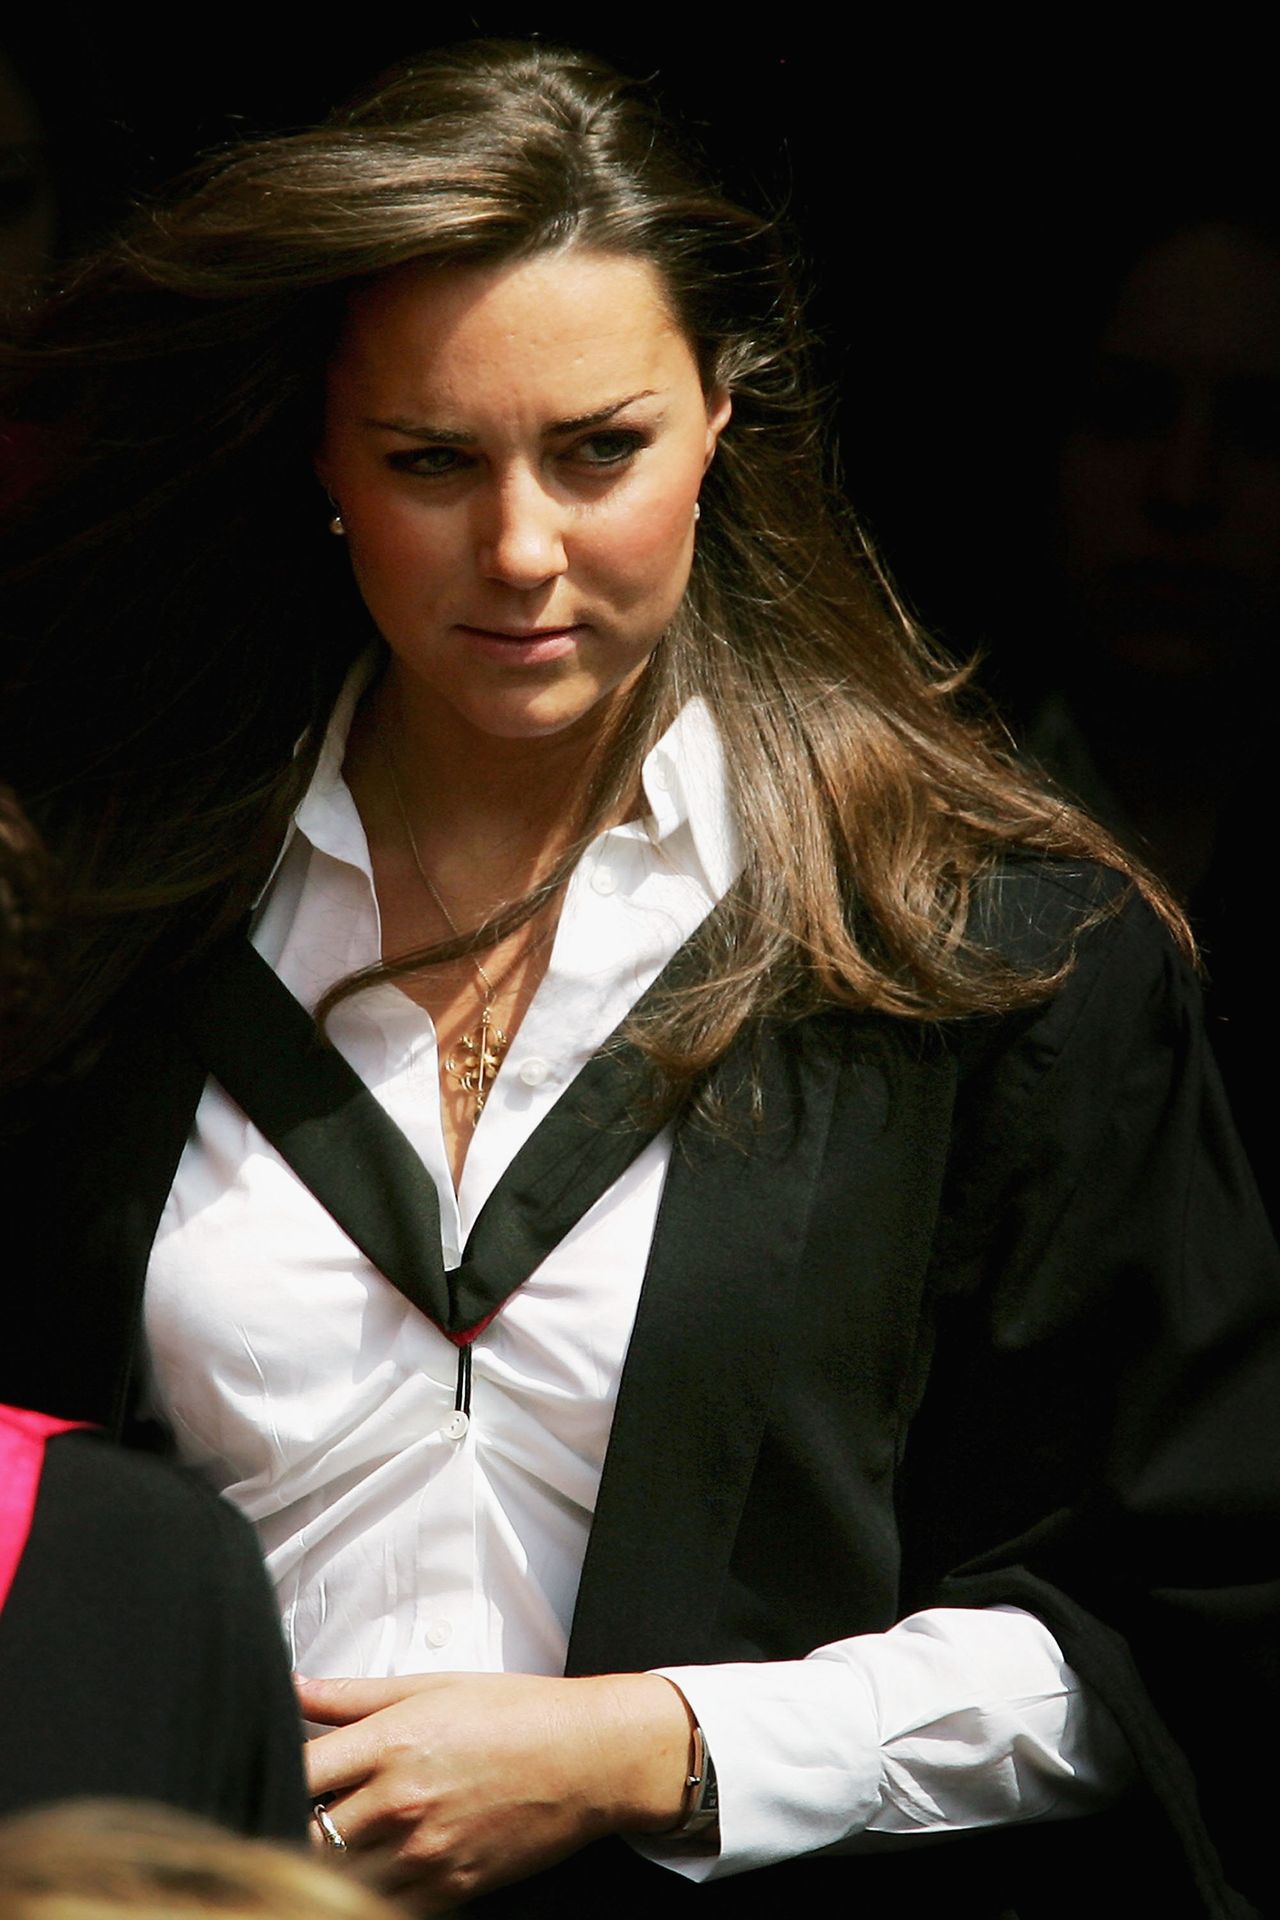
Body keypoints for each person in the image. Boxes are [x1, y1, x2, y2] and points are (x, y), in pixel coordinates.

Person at [0, 39, 1274, 1919]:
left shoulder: (979, 954)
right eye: (433, 460)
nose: (522, 551)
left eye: (599, 450)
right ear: (322, 461)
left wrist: (659, 1750)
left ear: (720, 429)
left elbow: (1189, 1625)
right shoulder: (115, 918)